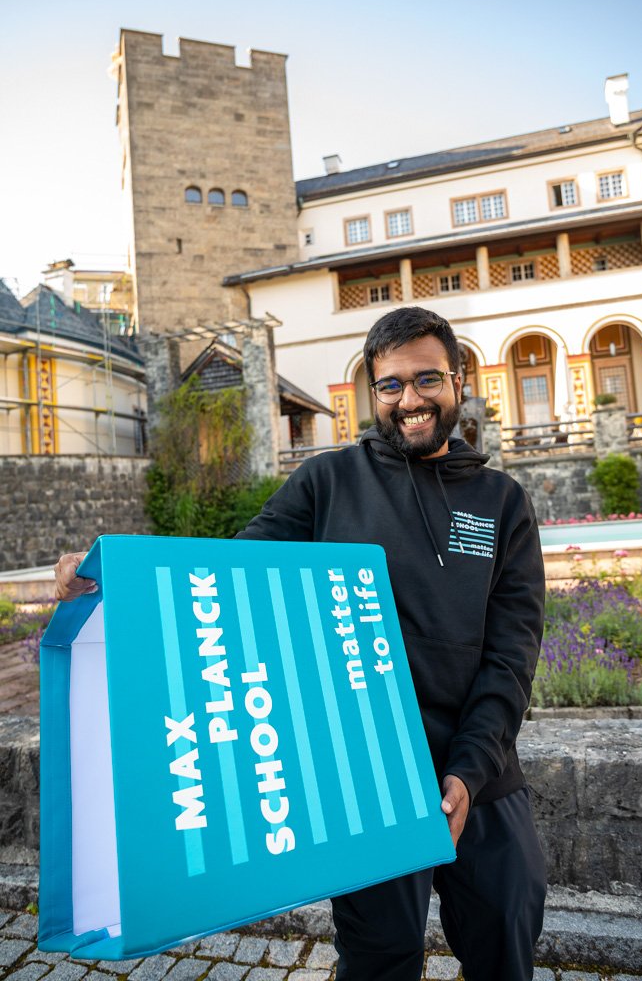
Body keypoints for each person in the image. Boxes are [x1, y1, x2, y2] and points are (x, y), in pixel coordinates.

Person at [55, 306, 547, 981]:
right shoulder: (327, 482)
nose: (409, 400)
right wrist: (108, 577)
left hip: (484, 776)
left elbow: (509, 658)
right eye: (390, 385)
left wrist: (466, 772)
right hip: (366, 786)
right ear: (371, 393)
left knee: (504, 951)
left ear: (459, 379)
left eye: (426, 379)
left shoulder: (501, 501)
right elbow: (223, 579)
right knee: (379, 961)